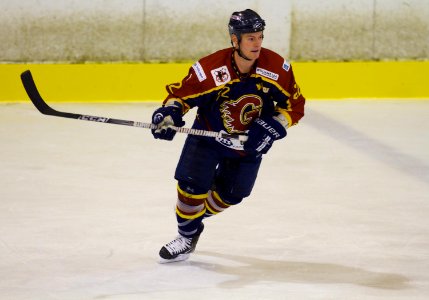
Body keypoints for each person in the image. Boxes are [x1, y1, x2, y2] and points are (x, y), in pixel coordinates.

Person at [151, 8, 305, 263]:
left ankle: (195, 217)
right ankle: (187, 236)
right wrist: (170, 113)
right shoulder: (211, 68)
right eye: (250, 38)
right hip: (208, 135)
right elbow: (181, 96)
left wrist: (272, 126)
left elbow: (294, 107)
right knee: (190, 188)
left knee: (232, 194)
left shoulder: (277, 68)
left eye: (259, 37)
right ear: (235, 40)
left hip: (247, 142)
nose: (257, 43)